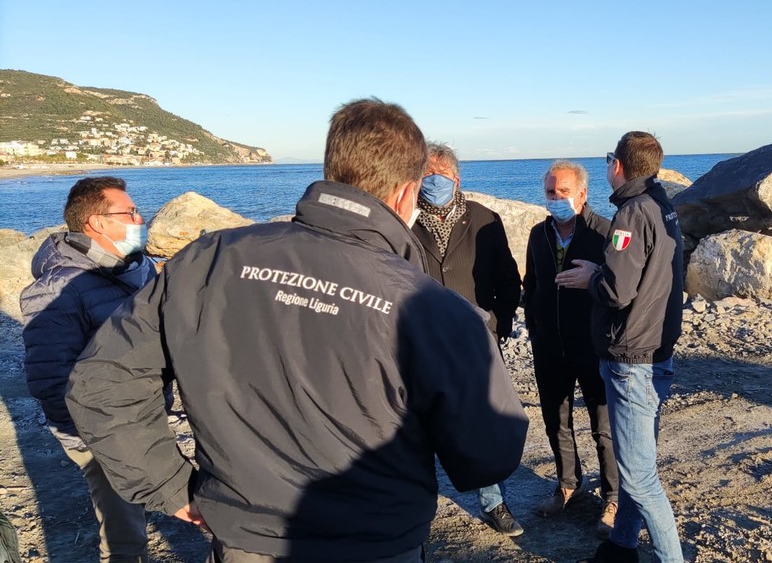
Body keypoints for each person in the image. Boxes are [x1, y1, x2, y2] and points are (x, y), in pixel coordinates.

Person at [65, 99, 529, 563]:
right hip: (377, 539)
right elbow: (488, 455)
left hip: (244, 538)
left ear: (333, 169)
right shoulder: (437, 310)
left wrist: (168, 484)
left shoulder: (207, 260)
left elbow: (101, 382)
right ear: (408, 193)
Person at [556, 132, 686, 563]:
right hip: (656, 349)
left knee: (641, 478)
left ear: (618, 165)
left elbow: (616, 290)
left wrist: (590, 277)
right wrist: (603, 269)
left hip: (632, 357)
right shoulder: (663, 205)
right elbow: (645, 274)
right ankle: (622, 546)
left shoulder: (631, 213)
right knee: (636, 464)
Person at [20, 176, 157, 563]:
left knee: (143, 503)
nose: (140, 219)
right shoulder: (57, 289)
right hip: (102, 430)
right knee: (124, 536)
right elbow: (50, 378)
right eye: (130, 212)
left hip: (143, 416)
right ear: (97, 222)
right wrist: (91, 439)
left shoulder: (138, 269)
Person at [410, 142, 525, 537]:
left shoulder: (483, 219)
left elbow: (508, 280)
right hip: (420, 341)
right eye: (426, 174)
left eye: (440, 174)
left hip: (476, 341)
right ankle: (416, 504)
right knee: (416, 425)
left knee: (480, 422)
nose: (433, 181)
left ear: (456, 179)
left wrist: (498, 323)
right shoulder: (404, 221)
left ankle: (493, 502)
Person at [523, 160, 618, 536]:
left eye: (563, 191)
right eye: (550, 192)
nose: (556, 198)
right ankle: (567, 484)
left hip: (593, 346)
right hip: (549, 346)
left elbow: (619, 288)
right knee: (556, 421)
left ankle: (613, 497)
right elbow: (531, 284)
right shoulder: (538, 234)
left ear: (582, 194)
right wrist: (534, 327)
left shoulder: (604, 232)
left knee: (603, 427)